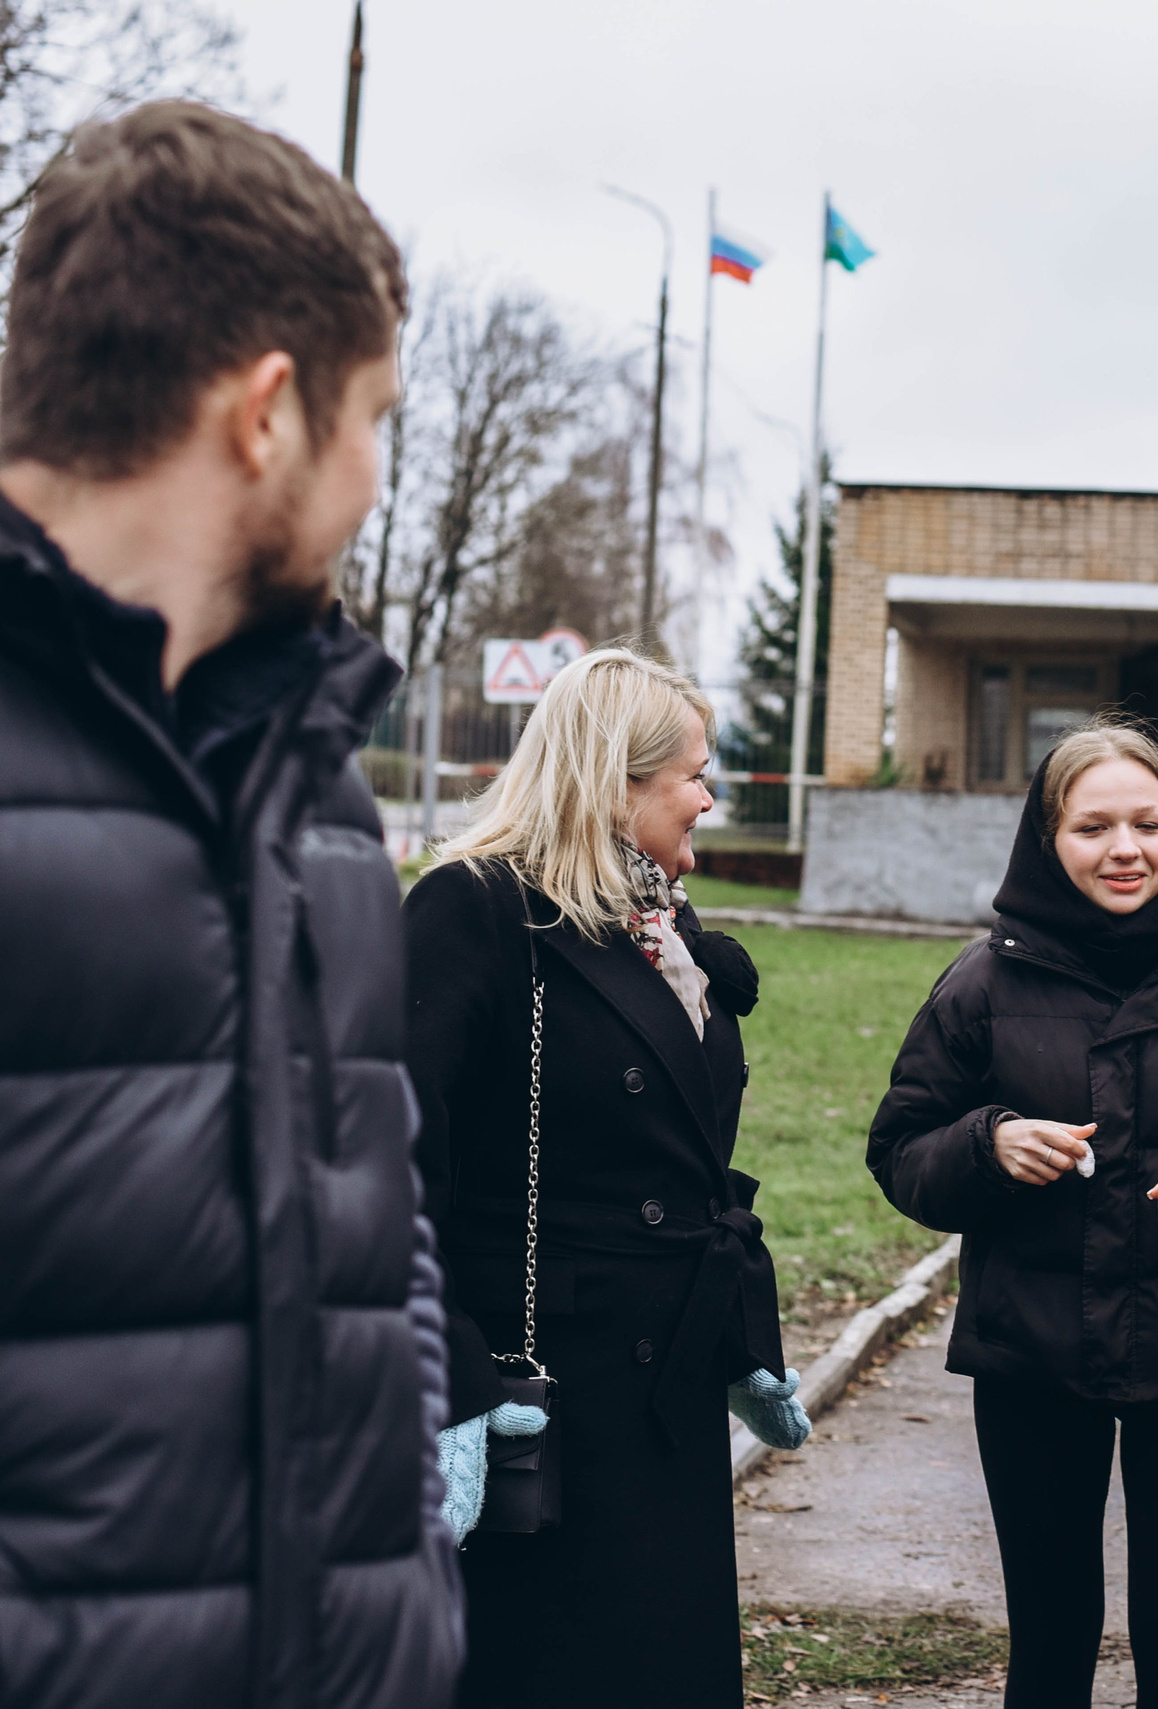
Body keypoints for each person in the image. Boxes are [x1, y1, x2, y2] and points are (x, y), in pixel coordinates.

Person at [0, 103, 458, 1709]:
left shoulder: (312, 772)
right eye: (375, 419)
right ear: (269, 411)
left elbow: (375, 1216)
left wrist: (407, 1573)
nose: (373, 476)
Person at [405, 648, 804, 1708]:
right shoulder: (476, 909)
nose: (710, 798)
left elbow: (697, 1163)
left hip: (662, 1393)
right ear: (617, 781)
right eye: (694, 774)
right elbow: (392, 1163)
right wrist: (445, 1383)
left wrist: (743, 1333)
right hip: (538, 1400)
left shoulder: (660, 928)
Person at [869, 719, 1158, 1709]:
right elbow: (900, 1150)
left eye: (1148, 823)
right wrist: (988, 1142)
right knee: (1050, 1637)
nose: (1123, 848)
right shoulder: (983, 983)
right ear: (1045, 839)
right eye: (1092, 825)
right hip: (1031, 1360)